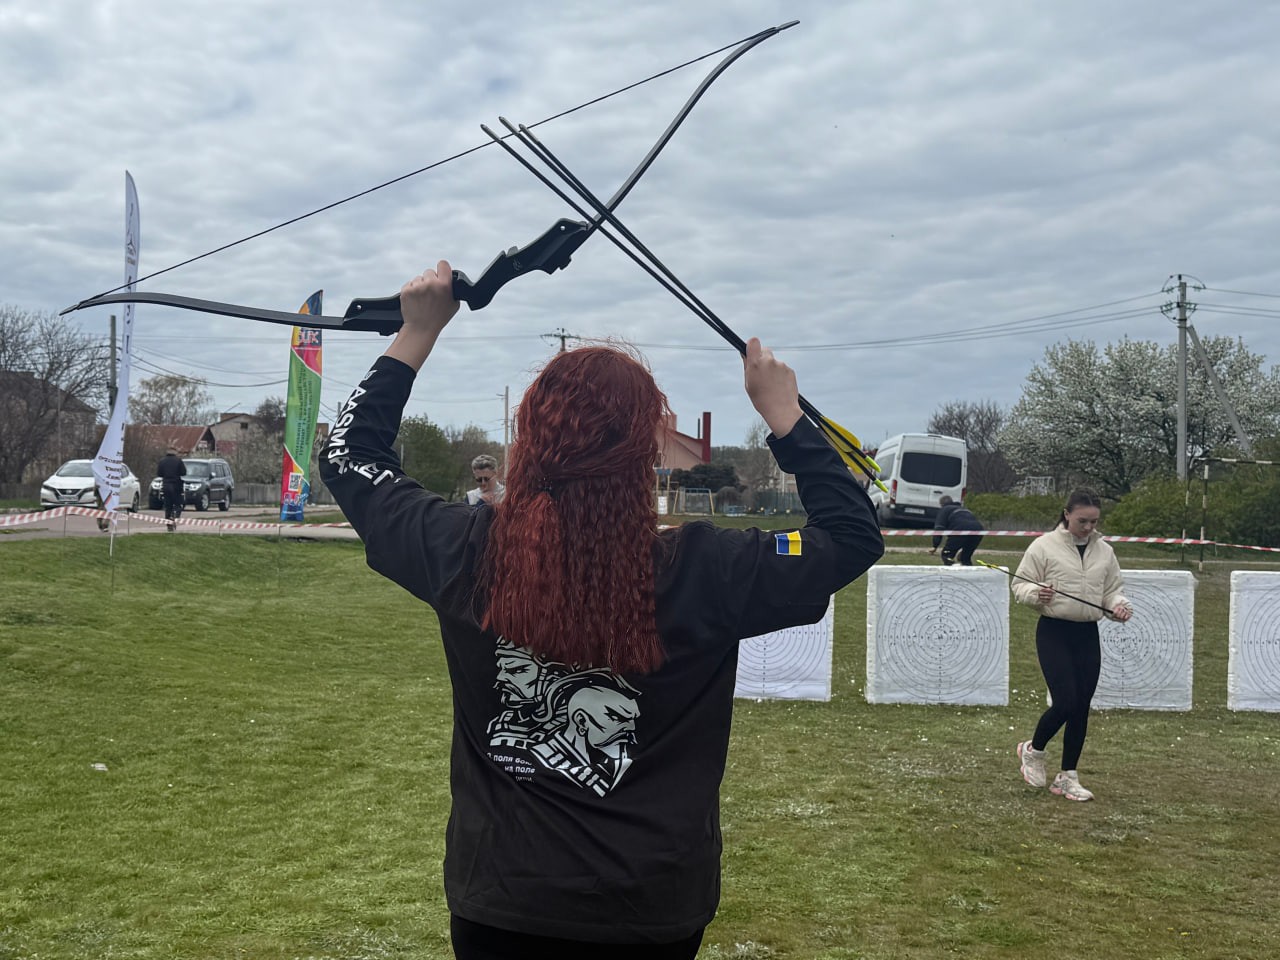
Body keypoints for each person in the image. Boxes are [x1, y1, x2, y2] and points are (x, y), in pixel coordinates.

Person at [318, 260, 884, 957]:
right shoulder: (705, 569)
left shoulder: (466, 548)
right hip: (649, 907)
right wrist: (785, 415)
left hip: (503, 899)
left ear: (529, 436)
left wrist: (416, 333)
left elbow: (345, 457)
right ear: (645, 448)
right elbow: (853, 535)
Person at [1012, 488, 1132, 802]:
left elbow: (1112, 591)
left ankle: (1068, 777)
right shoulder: (1043, 546)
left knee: (1081, 707)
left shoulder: (1104, 551)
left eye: (1094, 522)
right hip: (1053, 631)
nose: (1089, 528)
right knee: (1065, 701)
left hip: (1087, 633)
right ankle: (1033, 750)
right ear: (1067, 514)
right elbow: (1020, 584)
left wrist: (1119, 607)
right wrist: (1038, 594)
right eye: (1083, 521)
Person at [928, 494, 984, 565]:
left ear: (941, 504)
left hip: (961, 529)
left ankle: (951, 572)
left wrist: (935, 546)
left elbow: (939, 528)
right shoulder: (964, 509)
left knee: (946, 555)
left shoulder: (944, 510)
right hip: (978, 530)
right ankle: (968, 573)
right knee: (965, 558)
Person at [156, 447, 186, 532]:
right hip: (176, 485)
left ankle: (169, 524)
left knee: (167, 506)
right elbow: (184, 472)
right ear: (175, 452)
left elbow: (159, 473)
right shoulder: (178, 461)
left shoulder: (162, 461)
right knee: (178, 504)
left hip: (166, 485)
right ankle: (175, 515)